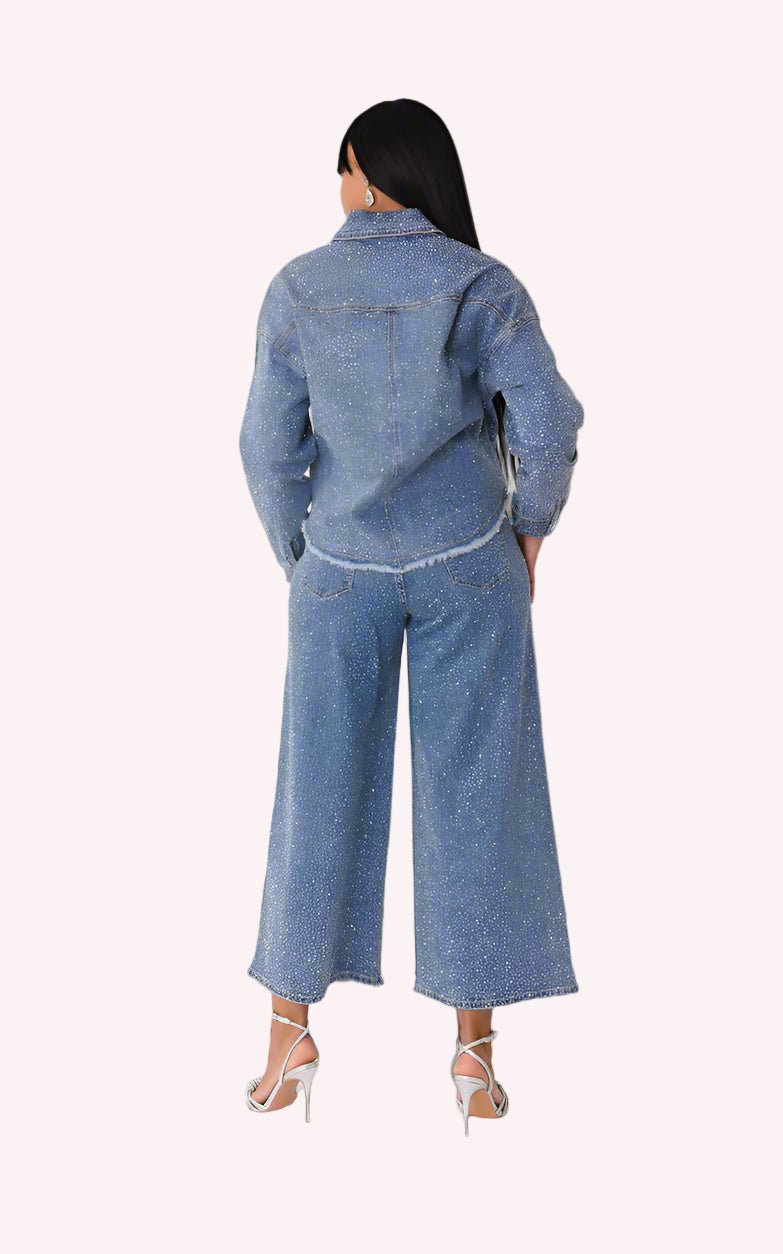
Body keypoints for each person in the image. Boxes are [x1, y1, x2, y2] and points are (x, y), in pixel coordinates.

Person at [239, 99, 585, 1134]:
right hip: (469, 566)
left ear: (362, 170)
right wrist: (530, 529)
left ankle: (287, 1042)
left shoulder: (299, 288)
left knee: (313, 795)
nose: (338, 188)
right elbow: (547, 422)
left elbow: (264, 448)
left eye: (339, 169)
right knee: (476, 796)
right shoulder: (483, 285)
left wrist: (300, 555)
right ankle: (474, 1059)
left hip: (338, 572)